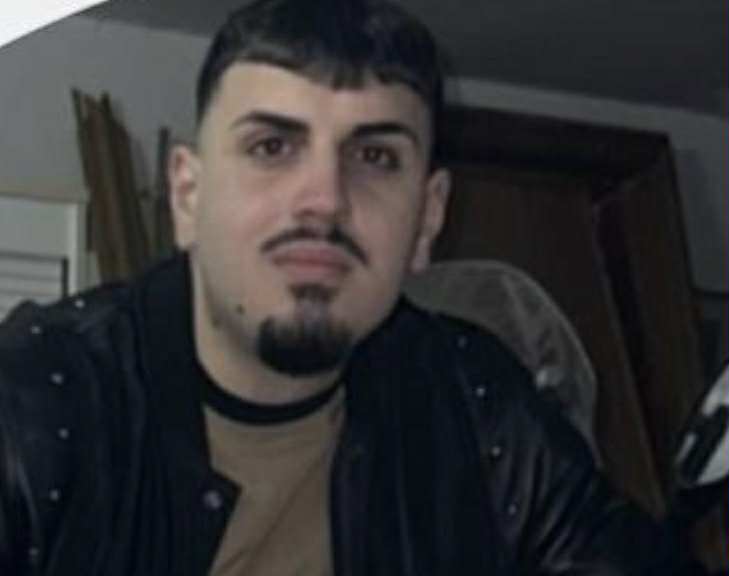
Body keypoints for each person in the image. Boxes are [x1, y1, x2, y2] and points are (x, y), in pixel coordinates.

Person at [0, 0, 701, 574]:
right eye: (272, 147)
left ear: (427, 218)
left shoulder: (473, 404)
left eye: (374, 156)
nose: (325, 200)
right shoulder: (37, 398)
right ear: (188, 196)